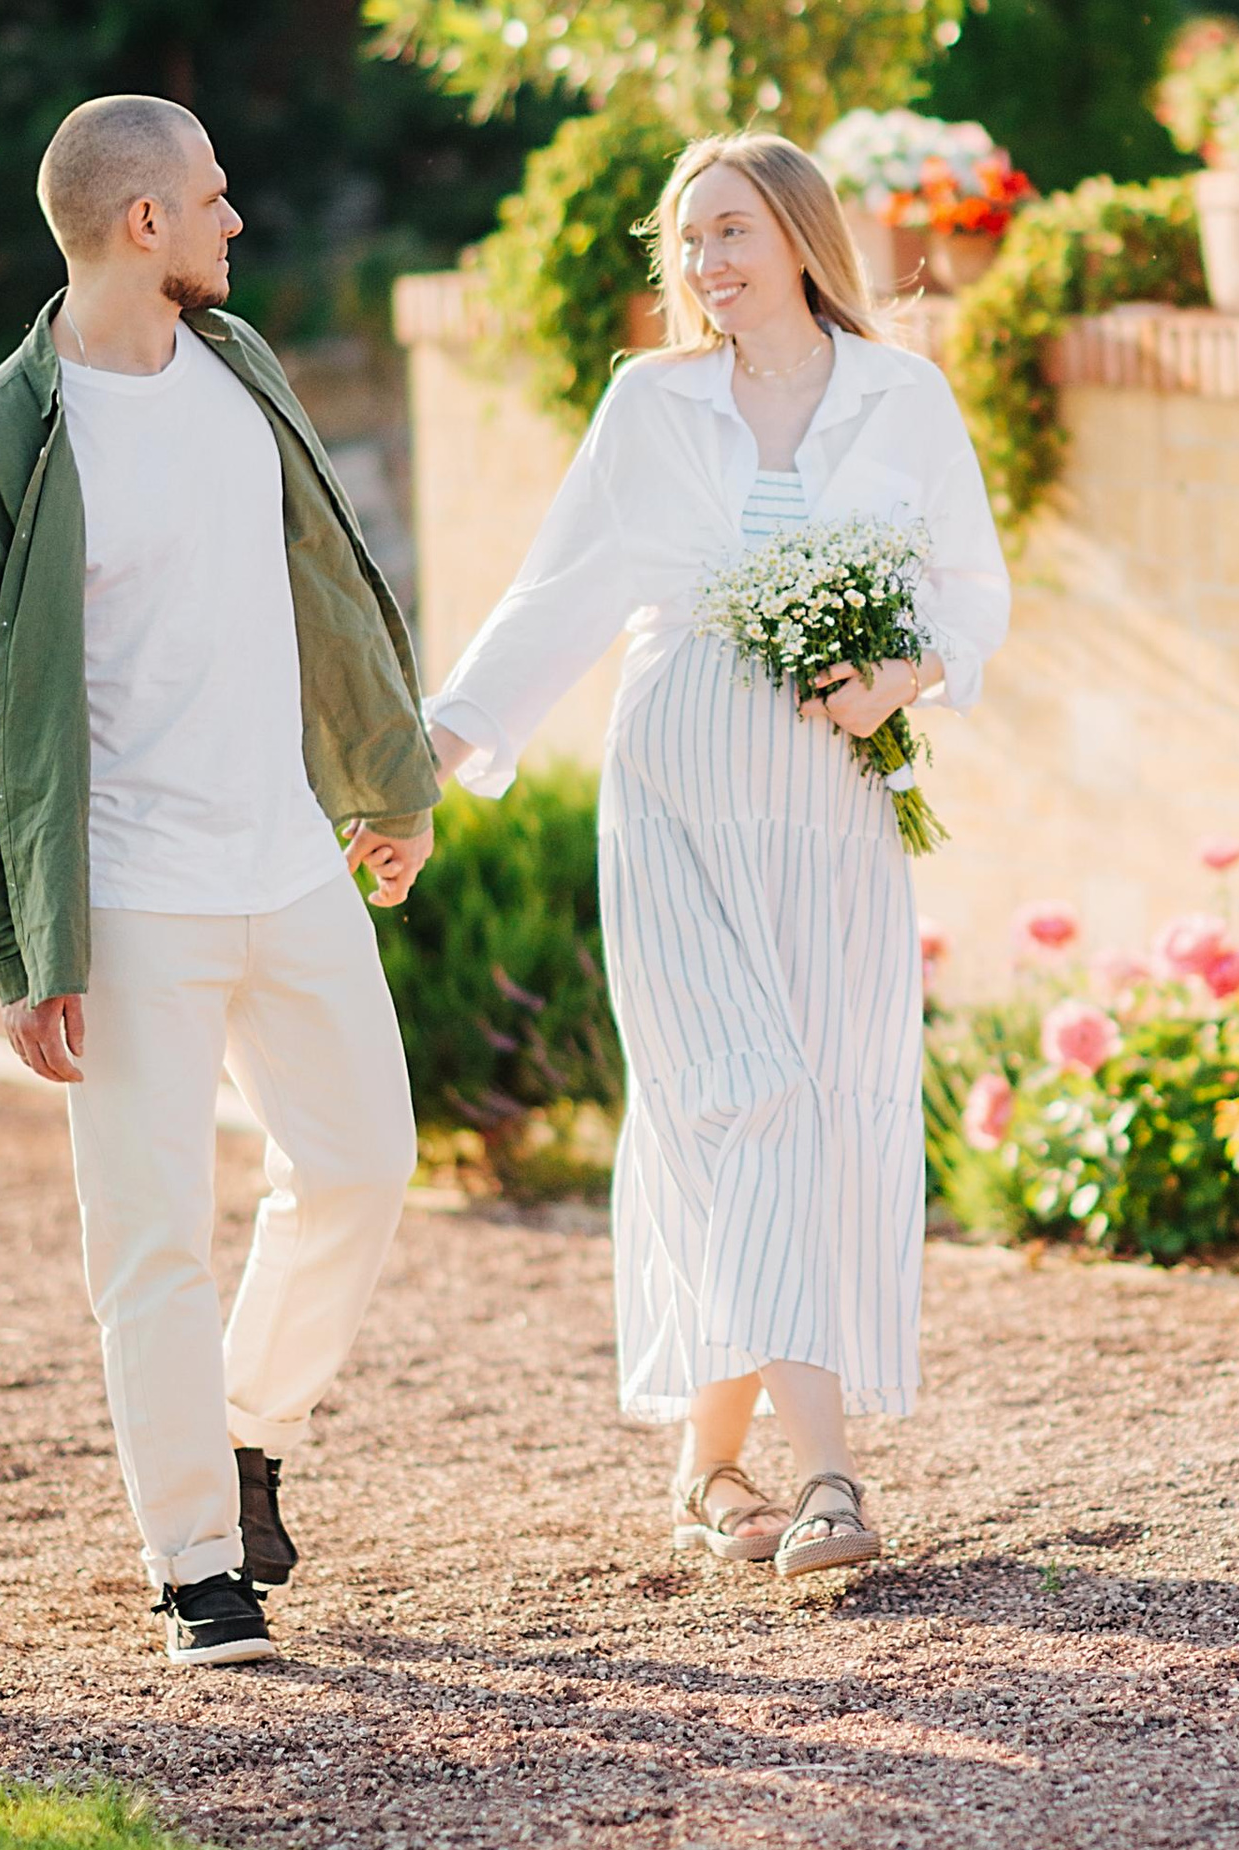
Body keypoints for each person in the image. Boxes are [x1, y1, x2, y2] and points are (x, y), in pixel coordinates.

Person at [422, 130, 1009, 1580]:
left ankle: (706, 1475)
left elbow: (973, 588)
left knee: (812, 1107)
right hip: (677, 791)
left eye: (732, 232)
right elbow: (557, 592)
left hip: (829, 805)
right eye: (688, 242)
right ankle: (829, 1484)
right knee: (747, 1098)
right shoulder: (651, 402)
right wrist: (428, 753)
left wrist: (899, 680)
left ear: (802, 237)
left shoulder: (904, 396)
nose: (706, 264)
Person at [0, 96, 441, 1669]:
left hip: (288, 857)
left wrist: (385, 778)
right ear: (142, 224)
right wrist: (20, 945)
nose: (234, 222)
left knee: (360, 1163)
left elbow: (330, 589)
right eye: (212, 199)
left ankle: (245, 1425)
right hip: (128, 893)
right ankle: (197, 1564)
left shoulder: (238, 372)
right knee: (150, 1238)